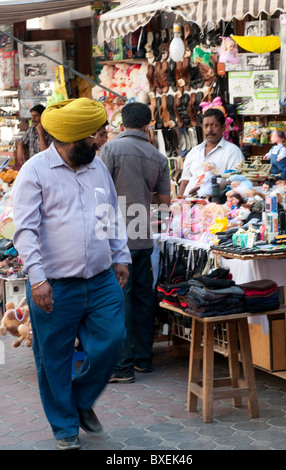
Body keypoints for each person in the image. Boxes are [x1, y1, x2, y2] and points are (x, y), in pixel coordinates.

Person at [11, 98, 132, 450]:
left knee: (112, 340)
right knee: (54, 359)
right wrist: (36, 279)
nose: (96, 142)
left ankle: (79, 400)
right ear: (66, 140)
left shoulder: (96, 167)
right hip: (54, 286)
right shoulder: (34, 171)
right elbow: (26, 231)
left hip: (100, 278)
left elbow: (110, 213)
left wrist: (120, 255)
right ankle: (65, 427)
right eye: (90, 138)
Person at [99, 102, 171, 383]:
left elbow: (99, 193)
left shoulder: (110, 150)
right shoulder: (157, 157)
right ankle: (143, 360)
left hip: (115, 239)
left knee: (120, 300)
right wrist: (143, 195)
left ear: (122, 124)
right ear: (147, 125)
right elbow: (165, 205)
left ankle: (122, 366)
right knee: (142, 297)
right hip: (142, 236)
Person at [178, 108, 244, 197]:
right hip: (189, 203)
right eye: (206, 126)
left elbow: (236, 180)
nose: (209, 130)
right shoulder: (194, 151)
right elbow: (185, 181)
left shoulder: (232, 151)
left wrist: (209, 189)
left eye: (214, 125)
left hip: (216, 204)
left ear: (223, 127)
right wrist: (179, 201)